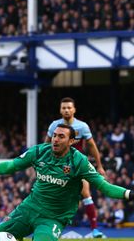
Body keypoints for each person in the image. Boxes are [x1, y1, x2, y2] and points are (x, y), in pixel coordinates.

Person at [0, 124, 134, 241]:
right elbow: (11, 166)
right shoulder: (39, 151)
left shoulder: (79, 161)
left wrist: (133, 194)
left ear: (72, 142)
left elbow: (104, 187)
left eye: (61, 136)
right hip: (27, 210)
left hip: (52, 219)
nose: (55, 139)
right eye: (54, 135)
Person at [45, 97, 106, 237]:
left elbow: (92, 146)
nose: (66, 110)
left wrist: (100, 166)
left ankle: (95, 230)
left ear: (74, 110)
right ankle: (52, 228)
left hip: (78, 165)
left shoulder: (82, 126)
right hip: (58, 166)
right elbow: (46, 145)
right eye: (64, 108)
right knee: (55, 195)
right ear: (60, 110)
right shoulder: (55, 125)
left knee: (86, 193)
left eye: (69, 107)